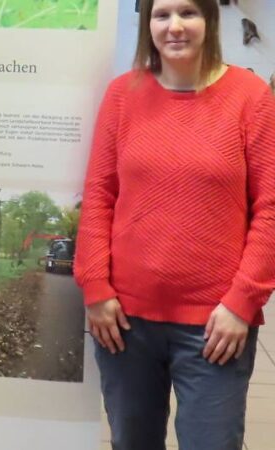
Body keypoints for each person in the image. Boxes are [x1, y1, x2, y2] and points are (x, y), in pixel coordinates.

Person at [75, 1, 275, 449]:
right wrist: (95, 287)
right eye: (162, 14)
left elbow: (270, 207)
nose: (176, 26)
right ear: (147, 25)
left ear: (211, 19)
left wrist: (243, 301)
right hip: (124, 322)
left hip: (216, 325)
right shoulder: (122, 95)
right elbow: (100, 196)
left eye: (189, 12)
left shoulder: (250, 96)